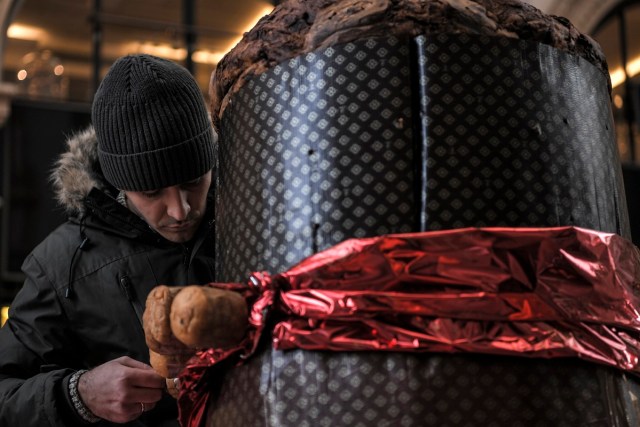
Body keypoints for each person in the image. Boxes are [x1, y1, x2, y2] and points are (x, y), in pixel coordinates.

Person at [0, 54, 217, 426]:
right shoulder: (59, 263)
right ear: (121, 185)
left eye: (192, 181)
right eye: (151, 192)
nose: (180, 211)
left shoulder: (260, 217)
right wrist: (78, 393)